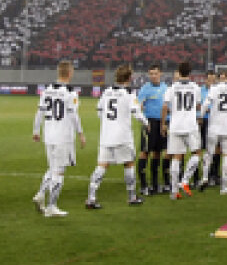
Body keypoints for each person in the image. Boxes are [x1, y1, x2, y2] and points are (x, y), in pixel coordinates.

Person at [86, 64, 146, 209]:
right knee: (129, 163)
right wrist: (146, 123)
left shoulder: (106, 92)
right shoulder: (129, 94)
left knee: (102, 166)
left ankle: (91, 198)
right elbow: (136, 112)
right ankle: (131, 197)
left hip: (106, 136)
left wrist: (109, 123)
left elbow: (99, 111)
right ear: (129, 78)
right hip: (123, 136)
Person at [32, 60, 85, 218]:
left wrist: (36, 130)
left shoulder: (47, 90)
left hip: (48, 135)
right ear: (69, 73)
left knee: (52, 168)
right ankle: (51, 207)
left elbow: (39, 112)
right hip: (63, 136)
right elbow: (74, 115)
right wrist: (80, 133)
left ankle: (41, 194)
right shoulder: (70, 92)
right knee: (59, 171)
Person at [162, 61, 203, 200]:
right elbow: (198, 106)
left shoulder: (172, 87)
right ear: (190, 73)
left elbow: (165, 107)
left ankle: (174, 192)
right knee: (196, 153)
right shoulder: (196, 87)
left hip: (175, 126)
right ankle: (184, 180)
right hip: (190, 125)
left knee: (176, 157)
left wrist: (163, 123)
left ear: (179, 72)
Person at [200, 66, 227, 193]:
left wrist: (200, 117)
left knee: (209, 153)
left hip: (215, 126)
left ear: (226, 76)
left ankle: (205, 177)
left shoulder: (215, 88)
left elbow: (206, 104)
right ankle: (224, 186)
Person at [136, 65, 167, 196]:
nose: (153, 76)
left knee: (157, 152)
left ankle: (155, 184)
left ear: (160, 74)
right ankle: (143, 185)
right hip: (149, 123)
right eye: (151, 73)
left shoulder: (166, 88)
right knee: (145, 152)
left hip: (162, 123)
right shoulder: (145, 88)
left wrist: (165, 123)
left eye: (155, 73)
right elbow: (138, 106)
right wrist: (143, 116)